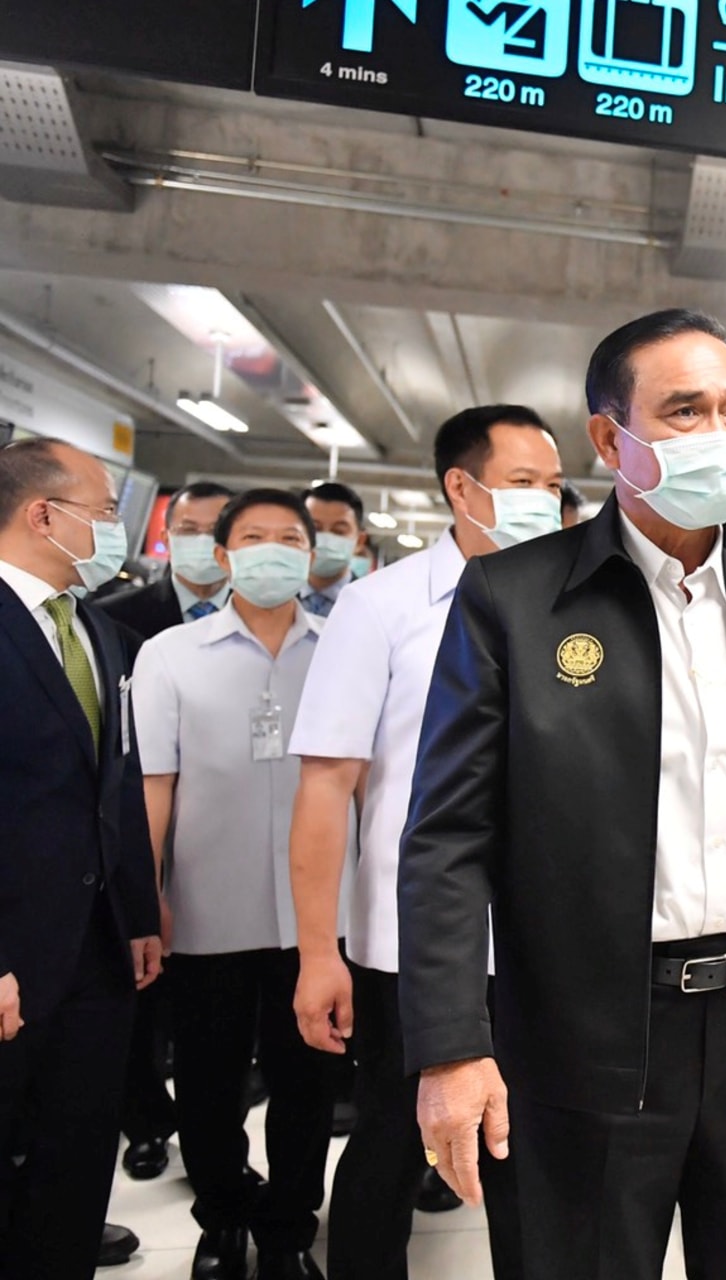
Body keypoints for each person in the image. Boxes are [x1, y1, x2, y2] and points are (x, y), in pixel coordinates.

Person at [399, 309, 726, 1279]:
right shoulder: (514, 600)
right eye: (685, 410)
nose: (722, 435)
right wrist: (450, 1045)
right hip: (584, 1033)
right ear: (611, 439)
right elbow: (447, 837)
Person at [288, 406, 559, 1280]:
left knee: (536, 1164)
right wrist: (317, 952)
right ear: (460, 486)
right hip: (411, 946)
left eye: (556, 487)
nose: (545, 503)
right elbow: (327, 790)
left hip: (543, 946)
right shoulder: (382, 608)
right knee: (389, 1153)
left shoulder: (572, 601)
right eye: (525, 484)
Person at [133, 489, 335, 1280]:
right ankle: (221, 1218)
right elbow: (155, 784)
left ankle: (288, 1230)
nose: (274, 551)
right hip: (206, 910)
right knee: (210, 1082)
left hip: (319, 920)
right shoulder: (172, 657)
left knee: (307, 1084)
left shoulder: (342, 647)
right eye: (254, 537)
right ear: (223, 557)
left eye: (291, 537)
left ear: (312, 555)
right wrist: (148, 892)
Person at [0, 438, 162, 1279]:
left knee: (75, 1158)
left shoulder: (102, 633)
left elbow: (118, 785)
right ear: (42, 515)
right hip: (10, 956)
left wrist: (136, 915)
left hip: (96, 952)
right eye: (103, 512)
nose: (114, 529)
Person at [96, 479, 235, 1186]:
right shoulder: (117, 618)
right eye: (188, 525)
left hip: (229, 841)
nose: (201, 538)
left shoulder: (283, 622)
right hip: (136, 828)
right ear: (173, 534)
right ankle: (148, 1123)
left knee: (214, 1008)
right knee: (142, 994)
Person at [99, 480, 235, 638]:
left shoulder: (263, 616)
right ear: (166, 539)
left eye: (216, 530)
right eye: (189, 530)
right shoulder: (112, 616)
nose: (203, 540)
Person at [299, 482, 367, 619]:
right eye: (315, 529)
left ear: (359, 541)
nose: (325, 539)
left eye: (338, 531)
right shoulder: (270, 597)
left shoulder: (373, 602)